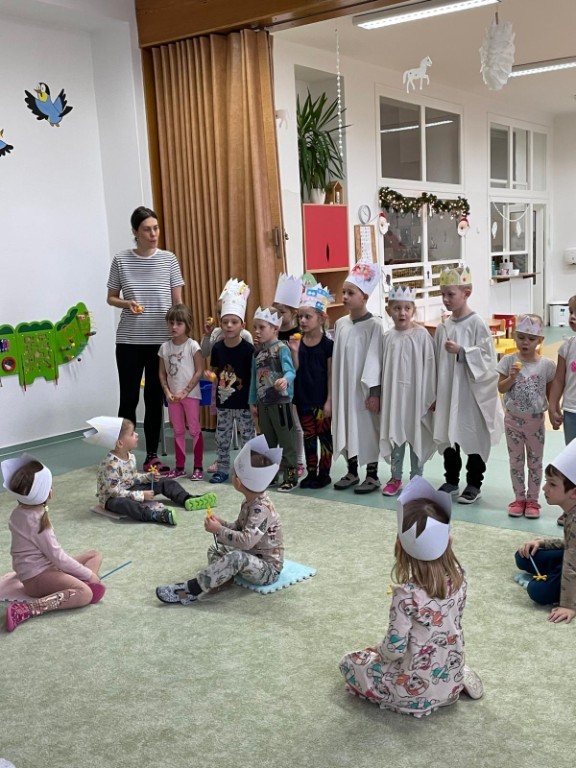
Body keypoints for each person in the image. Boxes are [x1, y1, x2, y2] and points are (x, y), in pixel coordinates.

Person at [339, 476, 483, 718]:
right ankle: (453, 679)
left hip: (411, 693)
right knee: (439, 650)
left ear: (400, 545)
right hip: (449, 675)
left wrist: (378, 652)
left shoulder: (406, 594)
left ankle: (422, 693)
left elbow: (394, 650)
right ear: (449, 540)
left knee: (350, 662)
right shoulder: (460, 577)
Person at [155, 435, 284, 604]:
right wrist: (221, 523)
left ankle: (190, 590)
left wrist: (219, 530)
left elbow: (246, 542)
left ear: (238, 482)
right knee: (215, 550)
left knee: (236, 557)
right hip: (250, 555)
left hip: (267, 570)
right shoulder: (249, 502)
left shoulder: (261, 509)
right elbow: (239, 528)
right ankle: (221, 578)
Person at [107, 206, 185, 474]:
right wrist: (126, 303)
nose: (153, 234)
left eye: (156, 228)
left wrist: (181, 334)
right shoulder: (121, 260)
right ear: (135, 232)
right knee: (128, 399)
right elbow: (111, 297)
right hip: (129, 341)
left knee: (154, 398)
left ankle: (151, 456)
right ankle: (122, 456)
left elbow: (177, 303)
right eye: (147, 230)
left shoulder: (169, 259)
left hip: (160, 342)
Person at [1, 455, 105, 633]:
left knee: (94, 555)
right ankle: (28, 609)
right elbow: (59, 559)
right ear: (49, 493)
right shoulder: (36, 521)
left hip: (43, 569)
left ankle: (77, 584)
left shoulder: (20, 511)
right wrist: (89, 574)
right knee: (85, 594)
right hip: (36, 578)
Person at [433, 266, 503, 504]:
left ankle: (474, 483)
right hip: (449, 391)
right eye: (443, 294)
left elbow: (488, 359)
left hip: (471, 393)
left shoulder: (477, 323)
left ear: (466, 293)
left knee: (472, 435)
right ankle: (451, 480)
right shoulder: (444, 326)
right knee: (449, 434)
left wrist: (463, 351)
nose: (445, 299)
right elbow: (437, 362)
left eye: (450, 294)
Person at [85, 417, 216, 525]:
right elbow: (114, 492)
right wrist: (141, 495)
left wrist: (148, 477)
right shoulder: (110, 465)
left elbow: (133, 477)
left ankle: (186, 498)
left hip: (130, 489)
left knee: (165, 482)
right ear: (120, 443)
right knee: (125, 504)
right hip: (112, 499)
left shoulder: (130, 456)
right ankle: (154, 515)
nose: (137, 435)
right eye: (132, 434)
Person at [369, 286, 436, 497]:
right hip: (395, 398)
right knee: (395, 435)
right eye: (397, 308)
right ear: (389, 310)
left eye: (407, 308)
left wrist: (432, 396)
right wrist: (376, 394)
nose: (402, 313)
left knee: (417, 435)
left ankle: (417, 479)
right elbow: (379, 369)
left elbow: (430, 365)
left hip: (417, 397)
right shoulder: (387, 337)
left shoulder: (422, 335)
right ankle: (395, 477)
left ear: (413, 309)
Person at [332, 257, 384, 494]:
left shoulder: (375, 326)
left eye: (350, 293)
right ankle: (351, 471)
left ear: (364, 297)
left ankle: (372, 475)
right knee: (346, 425)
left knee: (367, 429)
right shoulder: (341, 324)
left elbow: (376, 361)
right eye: (343, 292)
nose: (344, 297)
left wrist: (374, 393)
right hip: (345, 389)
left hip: (364, 391)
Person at [497, 314, 555, 519]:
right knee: (516, 461)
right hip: (512, 420)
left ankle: (533, 500)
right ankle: (519, 498)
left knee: (535, 462)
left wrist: (554, 412)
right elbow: (501, 388)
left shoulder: (547, 365)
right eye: (521, 337)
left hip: (535, 421)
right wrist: (512, 377)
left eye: (531, 339)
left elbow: (551, 393)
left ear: (540, 340)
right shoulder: (508, 361)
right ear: (514, 336)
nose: (525, 342)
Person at [514, 441, 576, 624]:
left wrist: (568, 605)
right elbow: (570, 546)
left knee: (537, 591)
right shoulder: (571, 512)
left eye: (552, 484)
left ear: (573, 493)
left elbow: (572, 563)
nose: (544, 488)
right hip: (571, 559)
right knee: (523, 556)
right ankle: (554, 574)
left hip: (573, 566)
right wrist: (543, 543)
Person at [208, 279, 256, 484]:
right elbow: (214, 371)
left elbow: (253, 377)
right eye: (225, 322)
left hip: (244, 403)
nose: (229, 325)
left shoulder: (248, 349)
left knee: (248, 438)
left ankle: (248, 472)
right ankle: (222, 469)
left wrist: (253, 402)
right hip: (224, 402)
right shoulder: (217, 348)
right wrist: (210, 376)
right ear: (220, 324)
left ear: (242, 325)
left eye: (234, 322)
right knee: (222, 438)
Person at [249, 306, 298, 492]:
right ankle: (270, 474)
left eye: (262, 327)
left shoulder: (282, 349)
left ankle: (290, 475)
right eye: (255, 327)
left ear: (275, 328)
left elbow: (290, 371)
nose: (257, 331)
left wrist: (285, 380)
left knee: (286, 440)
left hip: (281, 403)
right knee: (267, 441)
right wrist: (252, 402)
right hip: (263, 404)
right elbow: (254, 379)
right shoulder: (257, 353)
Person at [292, 282, 334, 489]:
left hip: (321, 400)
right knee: (309, 437)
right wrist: (294, 351)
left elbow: (331, 375)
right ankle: (311, 472)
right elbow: (296, 370)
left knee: (324, 437)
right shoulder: (297, 343)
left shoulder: (328, 346)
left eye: (308, 317)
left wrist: (329, 401)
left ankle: (324, 474)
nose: (302, 320)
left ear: (321, 318)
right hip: (303, 400)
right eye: (300, 317)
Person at [158, 303, 204, 480]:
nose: (174, 327)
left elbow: (199, 370)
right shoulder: (164, 347)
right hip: (172, 397)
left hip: (190, 396)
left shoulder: (192, 345)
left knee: (194, 430)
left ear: (187, 325)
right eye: (171, 323)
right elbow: (162, 373)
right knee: (177, 431)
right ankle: (179, 466)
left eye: (179, 323)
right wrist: (167, 392)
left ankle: (198, 466)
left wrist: (185, 391)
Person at [273, 273, 306, 477]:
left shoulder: (298, 334)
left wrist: (294, 350)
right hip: (274, 385)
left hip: (293, 387)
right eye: (275, 311)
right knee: (279, 424)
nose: (278, 315)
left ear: (293, 312)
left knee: (295, 425)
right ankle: (284, 459)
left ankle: (299, 461)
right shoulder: (272, 333)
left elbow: (298, 365)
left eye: (282, 312)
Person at [549, 294, 576, 449]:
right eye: (571, 312)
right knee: (572, 454)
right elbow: (559, 379)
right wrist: (553, 406)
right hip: (571, 410)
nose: (572, 316)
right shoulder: (567, 347)